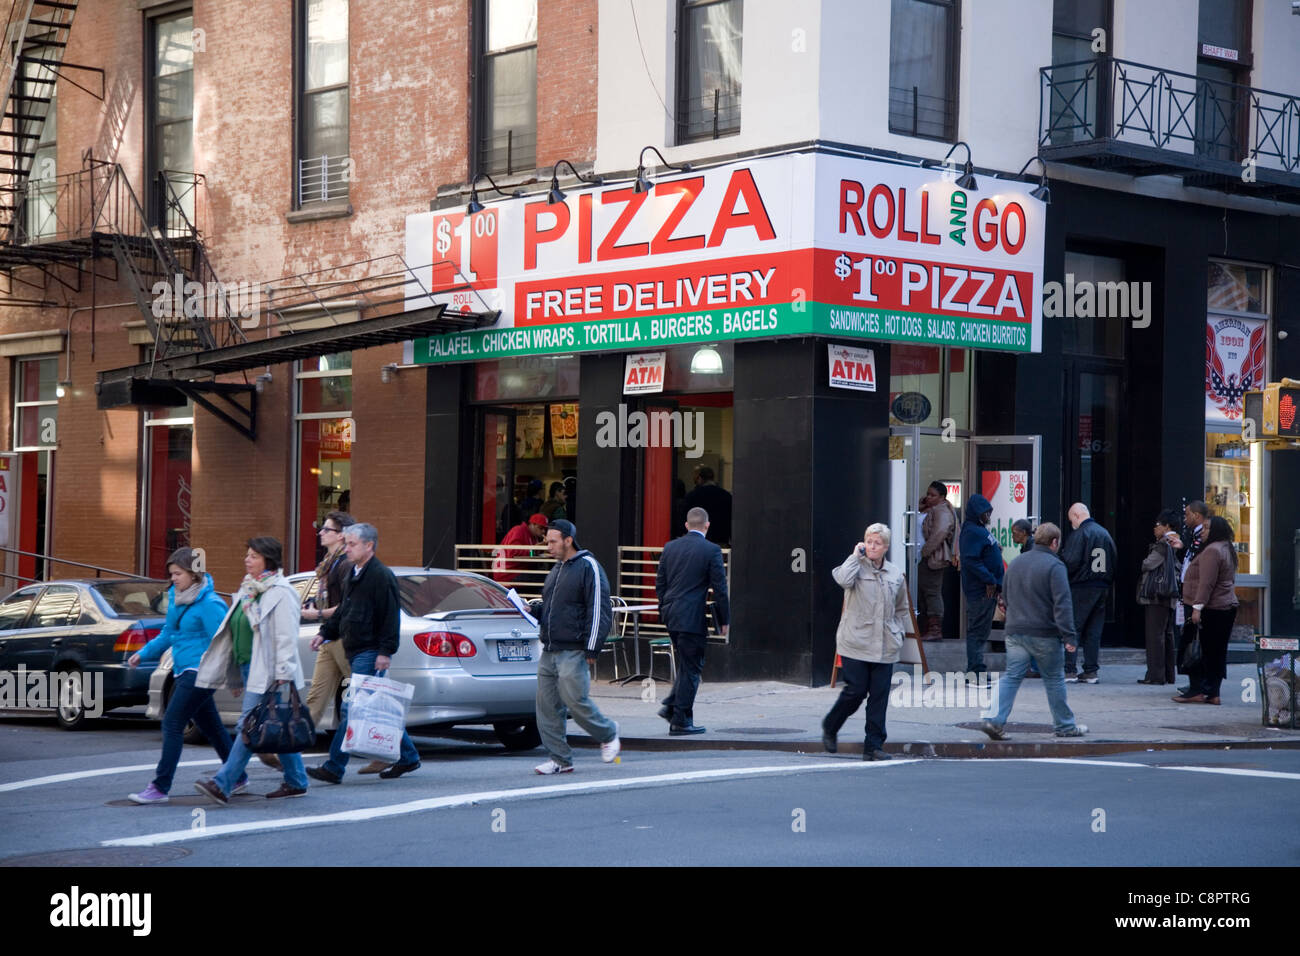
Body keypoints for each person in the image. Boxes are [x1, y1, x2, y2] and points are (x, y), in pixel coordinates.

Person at [193, 537, 311, 803]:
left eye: (254, 556)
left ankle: (222, 784)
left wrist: (282, 672)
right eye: (247, 555)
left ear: (268, 559)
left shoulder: (281, 591)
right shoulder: (250, 589)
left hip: (271, 672)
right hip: (250, 668)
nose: (247, 560)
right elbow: (237, 633)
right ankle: (297, 780)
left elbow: (286, 636)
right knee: (275, 724)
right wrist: (236, 675)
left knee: (250, 725)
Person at [307, 523, 422, 784]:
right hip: (355, 648)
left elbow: (390, 617)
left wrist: (385, 651)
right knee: (370, 708)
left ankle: (334, 767)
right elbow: (344, 611)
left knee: (353, 708)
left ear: (368, 546)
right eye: (346, 544)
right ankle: (408, 756)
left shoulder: (381, 576)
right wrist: (325, 632)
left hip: (370, 651)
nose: (347, 548)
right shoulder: (354, 574)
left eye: (352, 544)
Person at [127, 548, 238, 804]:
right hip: (182, 668)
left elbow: (225, 641)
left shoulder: (210, 604)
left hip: (200, 671)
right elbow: (168, 633)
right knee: (212, 726)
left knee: (172, 722)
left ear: (193, 573)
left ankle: (160, 787)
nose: (174, 578)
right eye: (172, 574)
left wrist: (234, 679)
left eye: (178, 573)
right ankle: (238, 774)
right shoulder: (176, 597)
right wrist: (142, 654)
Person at [979, 523, 1087, 739]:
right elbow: (1062, 604)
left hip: (1015, 631)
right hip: (1045, 633)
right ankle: (1065, 726)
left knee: (1011, 676)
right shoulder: (1055, 566)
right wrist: (1069, 635)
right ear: (1054, 542)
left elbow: (1006, 597)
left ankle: (993, 719)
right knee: (1054, 679)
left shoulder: (1016, 563)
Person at [532, 518, 621, 774]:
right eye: (547, 541)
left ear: (568, 540)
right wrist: (532, 610)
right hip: (549, 649)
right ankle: (560, 759)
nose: (548, 546)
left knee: (575, 702)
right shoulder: (557, 569)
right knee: (547, 707)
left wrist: (592, 647)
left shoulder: (588, 566)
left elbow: (600, 609)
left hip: (573, 649)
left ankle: (608, 732)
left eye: (552, 541)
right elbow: (552, 608)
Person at [821, 523, 912, 760]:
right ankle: (831, 726)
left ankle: (873, 746)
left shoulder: (895, 574)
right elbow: (841, 580)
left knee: (879, 696)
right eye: (869, 542)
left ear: (886, 547)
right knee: (856, 691)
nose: (872, 546)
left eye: (877, 543)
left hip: (885, 644)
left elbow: (901, 608)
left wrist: (898, 632)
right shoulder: (855, 567)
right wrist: (854, 556)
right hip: (856, 641)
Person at [655, 506, 730, 735]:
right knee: (692, 668)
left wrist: (664, 608)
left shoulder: (670, 547)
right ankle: (680, 720)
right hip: (691, 617)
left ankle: (671, 707)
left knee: (686, 664)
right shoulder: (711, 550)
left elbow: (660, 583)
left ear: (687, 525)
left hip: (672, 615)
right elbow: (720, 588)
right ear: (706, 526)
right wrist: (725, 619)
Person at [1173, 516, 1238, 705]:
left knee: (1198, 649)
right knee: (1217, 652)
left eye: (1207, 528)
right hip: (1225, 607)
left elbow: (1206, 583)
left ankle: (1198, 690)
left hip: (1212, 608)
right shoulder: (1226, 548)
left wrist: (1197, 607)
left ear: (1216, 530)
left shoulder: (1212, 551)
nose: (1203, 531)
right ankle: (1212, 692)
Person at [302, 511, 354, 727]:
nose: (320, 532)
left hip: (344, 638)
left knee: (365, 697)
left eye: (327, 529)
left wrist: (318, 614)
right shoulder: (328, 563)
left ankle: (404, 750)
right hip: (329, 636)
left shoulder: (345, 565)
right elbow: (329, 596)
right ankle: (293, 749)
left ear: (341, 535)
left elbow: (346, 606)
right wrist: (314, 603)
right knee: (316, 697)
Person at [1060, 502, 1116, 684]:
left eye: (1071, 520)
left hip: (1082, 587)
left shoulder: (1080, 534)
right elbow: (1114, 561)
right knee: (1094, 631)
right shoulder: (1105, 533)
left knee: (1073, 629)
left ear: (1076, 515)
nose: (1071, 524)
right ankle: (1091, 671)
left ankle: (1070, 670)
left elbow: (1070, 561)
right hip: (1102, 587)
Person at [959, 494, 1003, 677]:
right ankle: (975, 671)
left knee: (981, 631)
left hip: (988, 590)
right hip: (982, 590)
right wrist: (990, 579)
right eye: (985, 513)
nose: (988, 516)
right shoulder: (972, 531)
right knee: (978, 632)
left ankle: (976, 670)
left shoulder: (978, 529)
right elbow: (971, 560)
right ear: (976, 513)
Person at [1137, 509, 1181, 685]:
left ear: (1166, 526)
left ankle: (1155, 676)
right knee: (1167, 635)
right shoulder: (1177, 542)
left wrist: (1145, 560)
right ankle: (1168, 675)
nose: (1155, 528)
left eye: (1157, 525)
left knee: (1155, 636)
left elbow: (1148, 564)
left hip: (1157, 594)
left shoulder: (1163, 544)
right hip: (1169, 595)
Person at [1173, 500, 1211, 696]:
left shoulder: (1204, 539)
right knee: (1189, 638)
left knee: (1194, 640)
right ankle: (1195, 682)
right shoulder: (1193, 537)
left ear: (1196, 515)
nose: (1185, 518)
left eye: (1187, 515)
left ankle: (1199, 685)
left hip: (1196, 598)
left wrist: (1197, 604)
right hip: (1190, 596)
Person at [917, 481, 956, 641]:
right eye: (928, 494)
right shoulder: (930, 509)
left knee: (932, 592)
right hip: (922, 558)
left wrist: (926, 551)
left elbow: (940, 532)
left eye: (933, 495)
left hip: (933, 558)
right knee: (923, 592)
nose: (929, 497)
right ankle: (926, 628)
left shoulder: (942, 511)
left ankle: (935, 629)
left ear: (942, 497)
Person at [1009, 519, 1040, 678]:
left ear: (1023, 533)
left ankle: (1036, 668)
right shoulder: (1027, 547)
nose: (1012, 536)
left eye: (1014, 533)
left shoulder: (1031, 548)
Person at [495, 512, 548, 587]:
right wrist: (535, 549)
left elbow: (531, 553)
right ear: (532, 525)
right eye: (541, 528)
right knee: (544, 578)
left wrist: (540, 548)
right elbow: (514, 553)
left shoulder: (533, 537)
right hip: (508, 574)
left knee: (544, 576)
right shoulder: (519, 531)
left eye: (545, 529)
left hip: (517, 571)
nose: (543, 531)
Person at [685, 466, 732, 546]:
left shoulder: (692, 496)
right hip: (720, 540)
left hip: (697, 542)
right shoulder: (726, 496)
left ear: (699, 478)